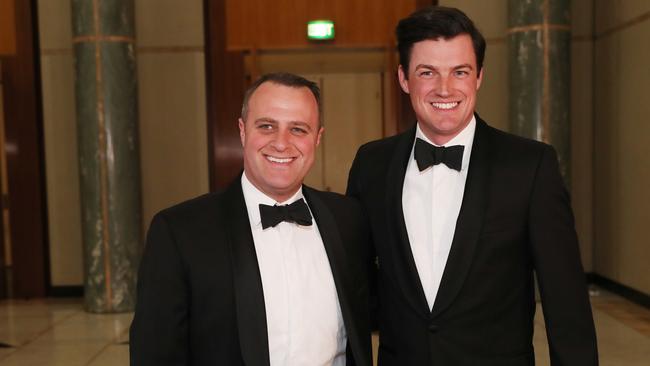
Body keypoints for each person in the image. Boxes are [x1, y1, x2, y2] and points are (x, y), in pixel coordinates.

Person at [346, 6, 598, 365]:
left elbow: (567, 304)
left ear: (479, 76)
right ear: (403, 78)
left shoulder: (530, 166)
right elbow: (356, 287)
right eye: (427, 72)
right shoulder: (371, 164)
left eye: (459, 72)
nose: (444, 88)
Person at [130, 72, 372, 366]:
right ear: (243, 131)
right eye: (267, 126)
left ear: (317, 139)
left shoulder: (348, 219)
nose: (281, 143)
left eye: (298, 129)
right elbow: (155, 355)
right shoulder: (179, 232)